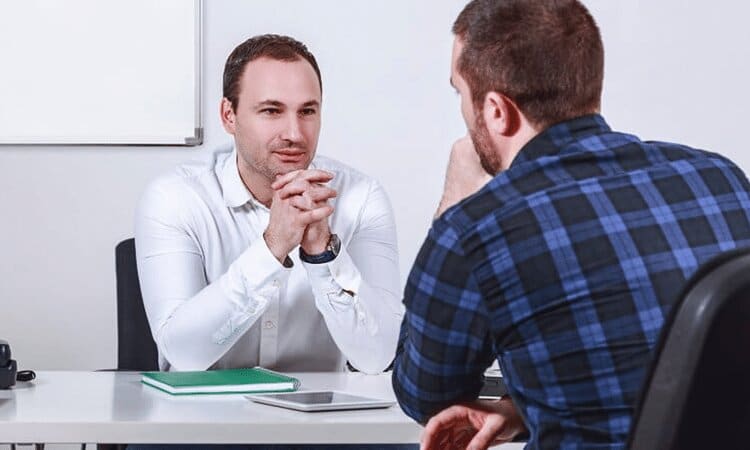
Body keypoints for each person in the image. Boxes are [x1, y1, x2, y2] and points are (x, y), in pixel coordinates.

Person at [392, 1, 750, 449]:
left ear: (498, 111)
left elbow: (425, 394)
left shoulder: (475, 229)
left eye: (460, 93)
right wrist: (525, 410)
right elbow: (680, 373)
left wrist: (455, 200)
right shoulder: (720, 179)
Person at [135, 34, 412, 449]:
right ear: (229, 115)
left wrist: (323, 253)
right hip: (201, 429)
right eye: (271, 111)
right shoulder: (175, 197)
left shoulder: (360, 198)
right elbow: (184, 355)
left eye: (307, 111)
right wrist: (272, 246)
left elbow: (378, 356)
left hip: (325, 429)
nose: (294, 133)